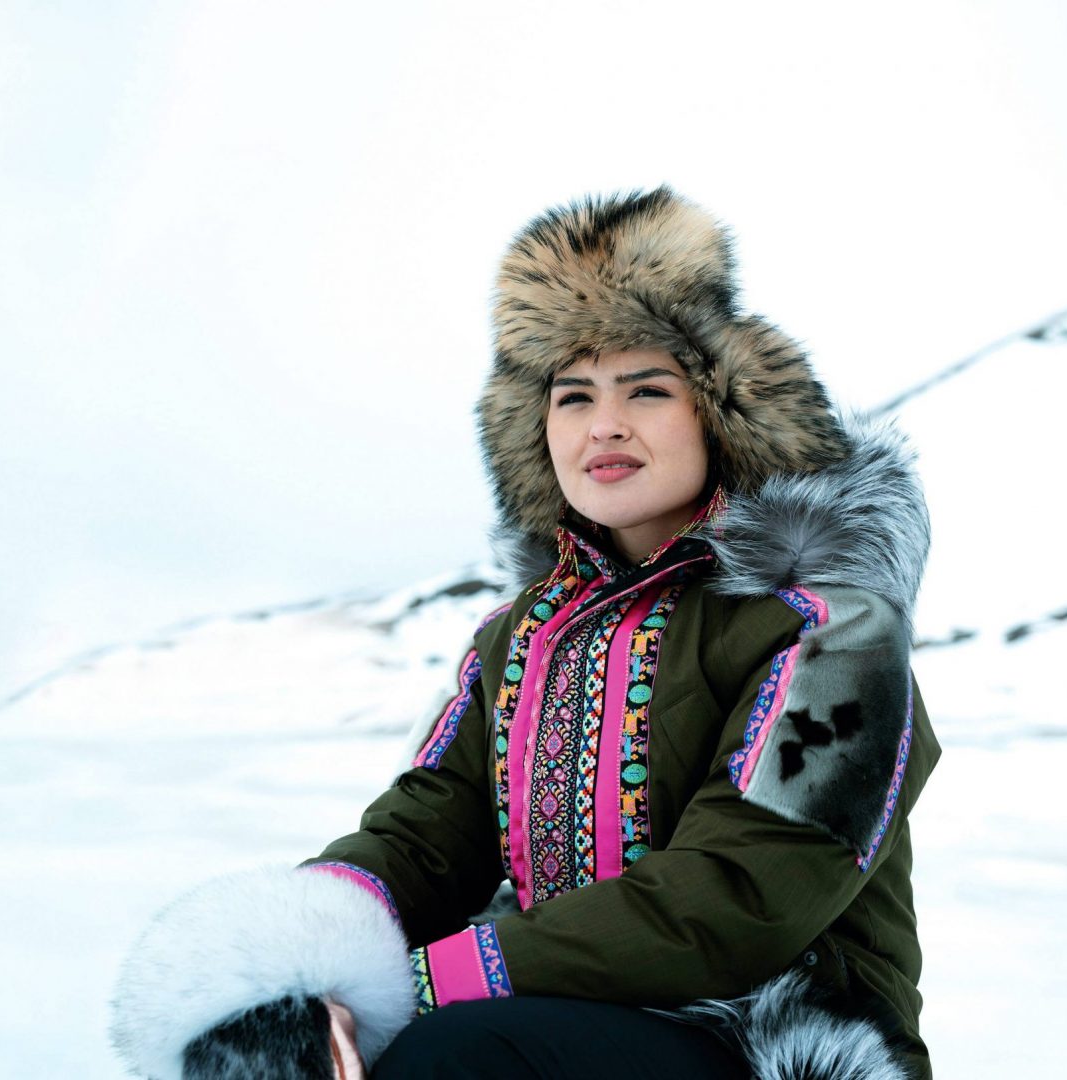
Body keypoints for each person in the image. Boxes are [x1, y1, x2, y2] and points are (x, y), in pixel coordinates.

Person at [111, 187, 939, 1080]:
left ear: (722, 413)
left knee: (457, 1058)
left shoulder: (829, 630)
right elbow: (430, 830)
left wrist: (429, 979)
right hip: (555, 1016)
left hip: (774, 1035)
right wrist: (307, 962)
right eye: (573, 396)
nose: (605, 425)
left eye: (648, 390)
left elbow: (738, 897)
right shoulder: (519, 638)